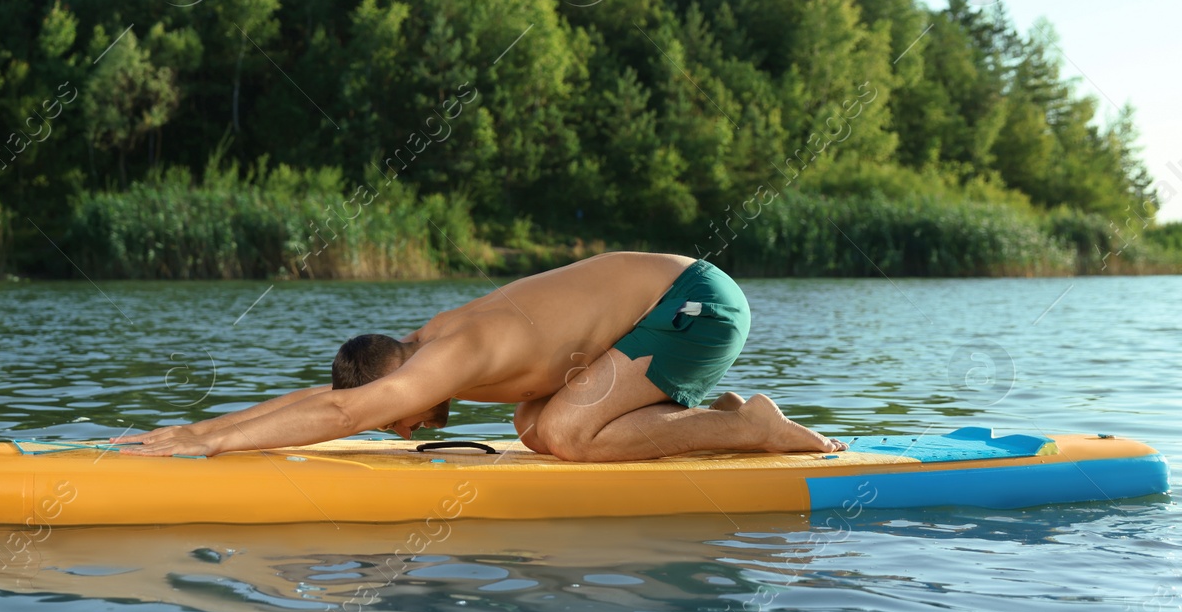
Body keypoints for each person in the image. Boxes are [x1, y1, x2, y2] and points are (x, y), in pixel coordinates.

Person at [120, 251, 845, 461]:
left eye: (394, 418)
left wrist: (199, 443)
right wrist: (207, 430)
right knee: (534, 427)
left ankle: (754, 425)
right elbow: (328, 396)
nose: (401, 430)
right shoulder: (418, 349)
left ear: (401, 378)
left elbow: (343, 410)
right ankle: (708, 416)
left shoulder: (448, 354)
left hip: (695, 304)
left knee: (562, 432)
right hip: (664, 308)